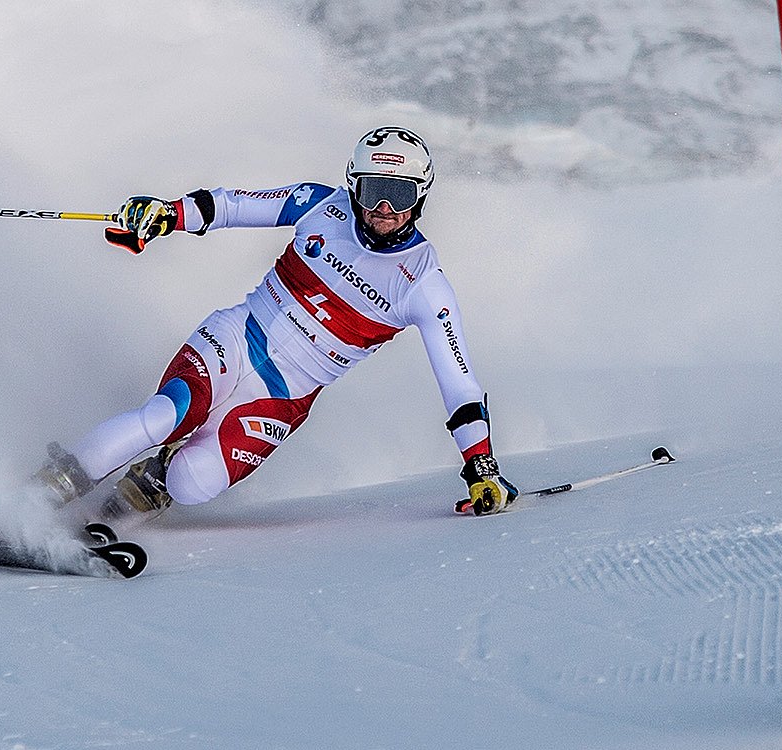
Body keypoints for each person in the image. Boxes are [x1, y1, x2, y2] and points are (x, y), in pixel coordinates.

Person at [35, 126, 518, 519]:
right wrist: (164, 216)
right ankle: (43, 490)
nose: (384, 209)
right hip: (236, 338)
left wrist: (481, 467)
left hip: (282, 396)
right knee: (166, 416)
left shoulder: (424, 284)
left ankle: (156, 479)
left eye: (398, 193)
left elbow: (459, 383)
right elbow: (231, 205)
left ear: (421, 195)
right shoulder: (319, 204)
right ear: (354, 186)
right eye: (373, 192)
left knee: (192, 482)